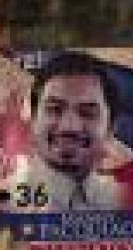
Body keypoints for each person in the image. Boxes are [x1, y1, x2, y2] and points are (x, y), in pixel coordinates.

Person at [12, 51, 122, 210]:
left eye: (87, 113)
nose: (69, 127)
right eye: (55, 109)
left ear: (111, 129)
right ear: (33, 120)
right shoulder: (2, 202)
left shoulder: (128, 201)